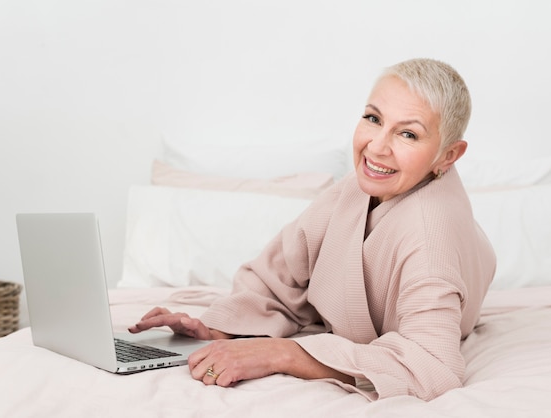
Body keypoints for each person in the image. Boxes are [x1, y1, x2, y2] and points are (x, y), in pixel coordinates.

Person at [129, 58, 496, 401]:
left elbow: (433, 365)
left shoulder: (432, 235)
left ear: (448, 155)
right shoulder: (354, 191)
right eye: (373, 119)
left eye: (408, 135)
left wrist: (284, 354)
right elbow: (279, 277)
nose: (377, 146)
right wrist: (215, 331)